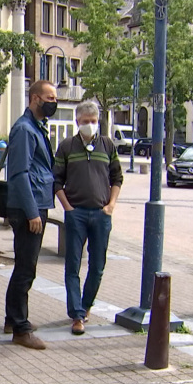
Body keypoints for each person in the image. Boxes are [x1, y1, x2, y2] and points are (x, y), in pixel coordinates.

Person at [54, 101, 123, 335]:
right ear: (77, 123)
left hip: (101, 214)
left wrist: (111, 205)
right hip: (77, 214)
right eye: (85, 122)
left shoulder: (108, 146)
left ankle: (86, 306)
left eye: (93, 122)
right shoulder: (66, 147)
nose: (90, 126)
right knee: (72, 265)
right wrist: (68, 207)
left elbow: (117, 178)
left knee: (98, 266)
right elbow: (56, 180)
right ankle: (77, 314)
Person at [4, 80, 58, 350]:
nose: (53, 102)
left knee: (25, 265)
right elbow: (19, 173)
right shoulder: (25, 130)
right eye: (50, 97)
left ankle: (12, 319)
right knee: (26, 268)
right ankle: (20, 328)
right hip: (30, 207)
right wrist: (32, 212)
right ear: (35, 98)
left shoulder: (35, 128)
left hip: (35, 204)